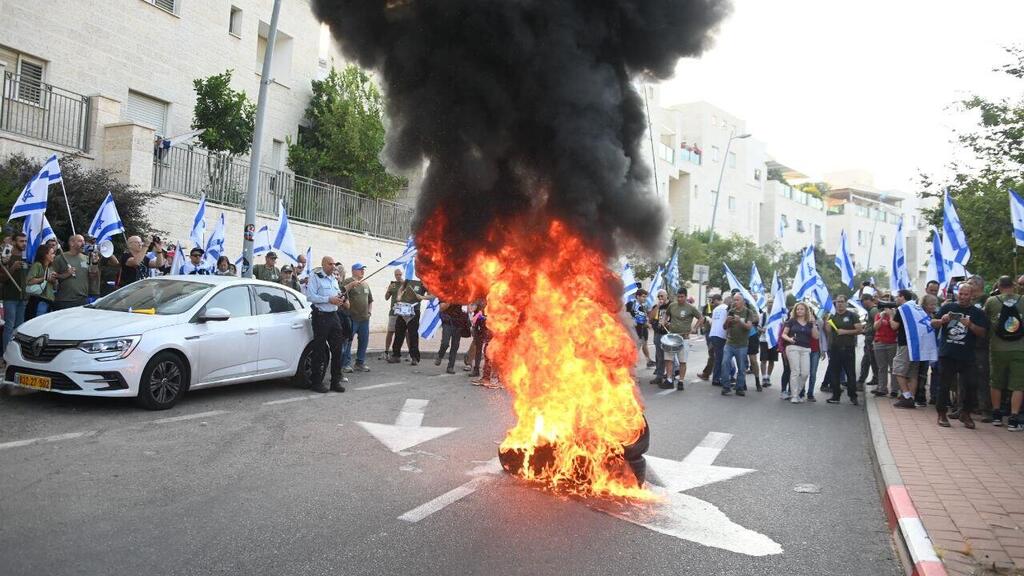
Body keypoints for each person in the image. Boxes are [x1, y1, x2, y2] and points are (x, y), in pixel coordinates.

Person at [933, 281, 988, 428]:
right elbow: (933, 323)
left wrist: (969, 325)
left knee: (971, 385)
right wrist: (941, 320)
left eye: (966, 294)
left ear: (972, 296)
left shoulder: (977, 313)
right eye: (961, 294)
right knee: (944, 385)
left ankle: (965, 413)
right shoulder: (948, 307)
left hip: (967, 355)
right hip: (948, 353)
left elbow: (982, 333)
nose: (963, 297)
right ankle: (942, 413)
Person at [983, 275, 1024, 429]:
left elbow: (985, 320)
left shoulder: (992, 301)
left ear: (998, 286)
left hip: (997, 347)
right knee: (1018, 385)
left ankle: (996, 415)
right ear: (1013, 285)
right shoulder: (1023, 300)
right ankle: (1013, 418)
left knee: (996, 382)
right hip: (1020, 348)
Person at [305, 256, 347, 393]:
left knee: (337, 350)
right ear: (323, 264)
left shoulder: (333, 279)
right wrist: (329, 299)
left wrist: (340, 298)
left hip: (334, 316)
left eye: (334, 264)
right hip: (321, 317)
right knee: (319, 350)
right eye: (330, 264)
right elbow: (310, 297)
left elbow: (336, 295)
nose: (333, 266)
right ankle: (316, 382)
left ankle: (335, 381)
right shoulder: (315, 277)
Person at [824, 294, 864, 405]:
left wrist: (845, 332)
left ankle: (853, 396)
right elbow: (828, 331)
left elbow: (859, 330)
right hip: (835, 348)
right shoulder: (832, 315)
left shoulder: (852, 315)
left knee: (850, 373)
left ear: (846, 303)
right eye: (838, 302)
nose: (840, 304)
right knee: (834, 373)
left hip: (848, 348)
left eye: (842, 301)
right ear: (835, 303)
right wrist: (827, 323)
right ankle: (836, 396)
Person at [660, 287, 703, 390]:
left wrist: (695, 328)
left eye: (682, 297)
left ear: (686, 296)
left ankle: (681, 381)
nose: (679, 299)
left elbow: (701, 318)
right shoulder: (672, 305)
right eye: (678, 296)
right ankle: (669, 380)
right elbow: (666, 314)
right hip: (671, 337)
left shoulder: (690, 308)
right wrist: (664, 321)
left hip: (684, 338)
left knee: (682, 361)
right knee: (668, 359)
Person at [388, 271, 429, 366]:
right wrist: (399, 296)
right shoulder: (408, 279)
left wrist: (422, 297)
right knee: (399, 333)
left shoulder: (424, 282)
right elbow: (401, 289)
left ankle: (414, 357)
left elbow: (432, 295)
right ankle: (396, 355)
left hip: (414, 311)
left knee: (413, 335)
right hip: (403, 310)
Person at [890, 289, 921, 409]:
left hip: (905, 343)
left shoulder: (902, 309)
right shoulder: (916, 307)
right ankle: (911, 398)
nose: (896, 299)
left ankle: (907, 396)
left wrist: (890, 315)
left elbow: (894, 326)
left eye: (897, 297)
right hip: (917, 344)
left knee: (898, 368)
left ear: (902, 297)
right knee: (913, 372)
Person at [720, 294, 756, 396]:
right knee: (725, 363)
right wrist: (727, 321)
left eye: (737, 300)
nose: (735, 302)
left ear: (743, 301)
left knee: (741, 367)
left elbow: (749, 327)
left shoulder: (748, 312)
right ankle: (726, 387)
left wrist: (739, 320)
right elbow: (724, 327)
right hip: (730, 343)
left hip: (742, 345)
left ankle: (739, 387)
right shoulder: (731, 311)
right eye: (734, 300)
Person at [781, 302, 817, 403]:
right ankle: (794, 396)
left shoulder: (810, 323)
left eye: (801, 309)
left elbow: (816, 336)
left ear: (806, 311)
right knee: (795, 371)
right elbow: (784, 334)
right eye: (797, 309)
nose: (799, 311)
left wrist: (814, 324)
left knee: (805, 373)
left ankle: (797, 392)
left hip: (806, 349)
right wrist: (789, 339)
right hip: (792, 347)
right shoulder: (791, 321)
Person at [344, 263, 374, 371]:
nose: (362, 271)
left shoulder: (365, 284)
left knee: (364, 341)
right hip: (352, 318)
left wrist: (369, 313)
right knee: (348, 341)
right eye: (360, 269)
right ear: (353, 270)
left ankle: (360, 363)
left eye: (363, 269)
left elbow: (370, 300)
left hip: (364, 319)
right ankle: (345, 364)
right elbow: (342, 295)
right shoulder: (348, 282)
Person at [1, 232, 28, 350]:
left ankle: (16, 352)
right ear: (13, 242)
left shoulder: (26, 256)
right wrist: (12, 268)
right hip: (10, 297)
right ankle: (6, 353)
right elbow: (2, 279)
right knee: (9, 326)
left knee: (20, 328)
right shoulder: (5, 257)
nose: (24, 243)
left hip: (23, 297)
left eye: (25, 241)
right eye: (21, 241)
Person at [51, 235, 91, 310]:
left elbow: (92, 276)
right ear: (71, 243)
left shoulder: (87, 259)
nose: (83, 243)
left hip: (82, 300)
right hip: (64, 300)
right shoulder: (60, 258)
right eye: (80, 241)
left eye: (83, 241)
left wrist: (95, 264)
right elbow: (51, 277)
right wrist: (66, 274)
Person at [435, 301, 470, 374]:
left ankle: (450, 366)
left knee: (455, 346)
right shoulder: (446, 294)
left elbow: (468, 306)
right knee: (445, 343)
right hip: (447, 321)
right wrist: (451, 299)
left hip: (459, 322)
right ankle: (440, 355)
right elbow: (441, 308)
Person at [25, 245, 57, 320]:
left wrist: (54, 281)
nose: (54, 255)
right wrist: (45, 278)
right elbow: (29, 281)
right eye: (52, 253)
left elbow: (55, 287)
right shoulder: (37, 265)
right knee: (38, 324)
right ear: (45, 255)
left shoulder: (50, 268)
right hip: (40, 300)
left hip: (49, 300)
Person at [648, 289, 671, 385]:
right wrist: (658, 306)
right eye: (659, 296)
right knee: (659, 356)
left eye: (662, 296)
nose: (660, 298)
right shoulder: (656, 307)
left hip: (668, 334)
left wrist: (669, 323)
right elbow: (651, 318)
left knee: (668, 357)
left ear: (666, 296)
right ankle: (659, 376)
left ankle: (670, 376)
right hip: (658, 334)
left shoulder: (671, 306)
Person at [627, 289, 654, 368]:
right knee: (635, 346)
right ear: (637, 296)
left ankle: (648, 360)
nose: (644, 298)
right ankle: (630, 362)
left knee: (643, 344)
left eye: (645, 297)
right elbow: (625, 314)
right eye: (643, 297)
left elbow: (644, 317)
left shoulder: (643, 306)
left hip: (642, 329)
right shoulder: (631, 304)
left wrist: (647, 323)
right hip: (634, 330)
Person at [698, 293, 722, 380]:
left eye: (712, 299)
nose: (710, 301)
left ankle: (707, 373)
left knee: (713, 354)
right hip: (709, 331)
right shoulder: (706, 307)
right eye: (709, 299)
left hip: (716, 332)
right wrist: (702, 328)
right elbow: (703, 318)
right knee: (712, 353)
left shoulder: (720, 307)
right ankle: (708, 373)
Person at [708, 294, 731, 387]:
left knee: (718, 357)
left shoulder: (716, 309)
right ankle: (717, 378)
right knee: (720, 358)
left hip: (713, 334)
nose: (713, 303)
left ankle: (717, 377)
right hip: (721, 335)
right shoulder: (726, 308)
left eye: (714, 301)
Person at [857, 292, 878, 389]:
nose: (862, 303)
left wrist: (866, 330)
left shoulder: (873, 310)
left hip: (872, 339)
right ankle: (862, 380)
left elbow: (877, 325)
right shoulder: (871, 310)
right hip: (869, 339)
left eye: (863, 301)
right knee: (866, 361)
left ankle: (876, 379)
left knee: (872, 360)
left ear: (868, 300)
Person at [383, 268, 404, 360]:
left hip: (404, 313)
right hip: (393, 312)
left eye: (400, 274)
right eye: (397, 275)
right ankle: (386, 351)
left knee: (406, 333)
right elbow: (386, 298)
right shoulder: (393, 284)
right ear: (394, 275)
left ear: (402, 274)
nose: (398, 276)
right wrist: (388, 290)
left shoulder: (406, 284)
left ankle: (411, 354)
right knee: (390, 332)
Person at [758, 297, 777, 388]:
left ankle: (768, 377)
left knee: (772, 360)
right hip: (764, 340)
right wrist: (763, 330)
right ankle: (764, 377)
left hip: (773, 341)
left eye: (772, 302)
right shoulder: (763, 315)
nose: (771, 304)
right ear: (767, 304)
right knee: (763, 359)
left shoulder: (777, 315)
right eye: (769, 302)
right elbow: (758, 327)